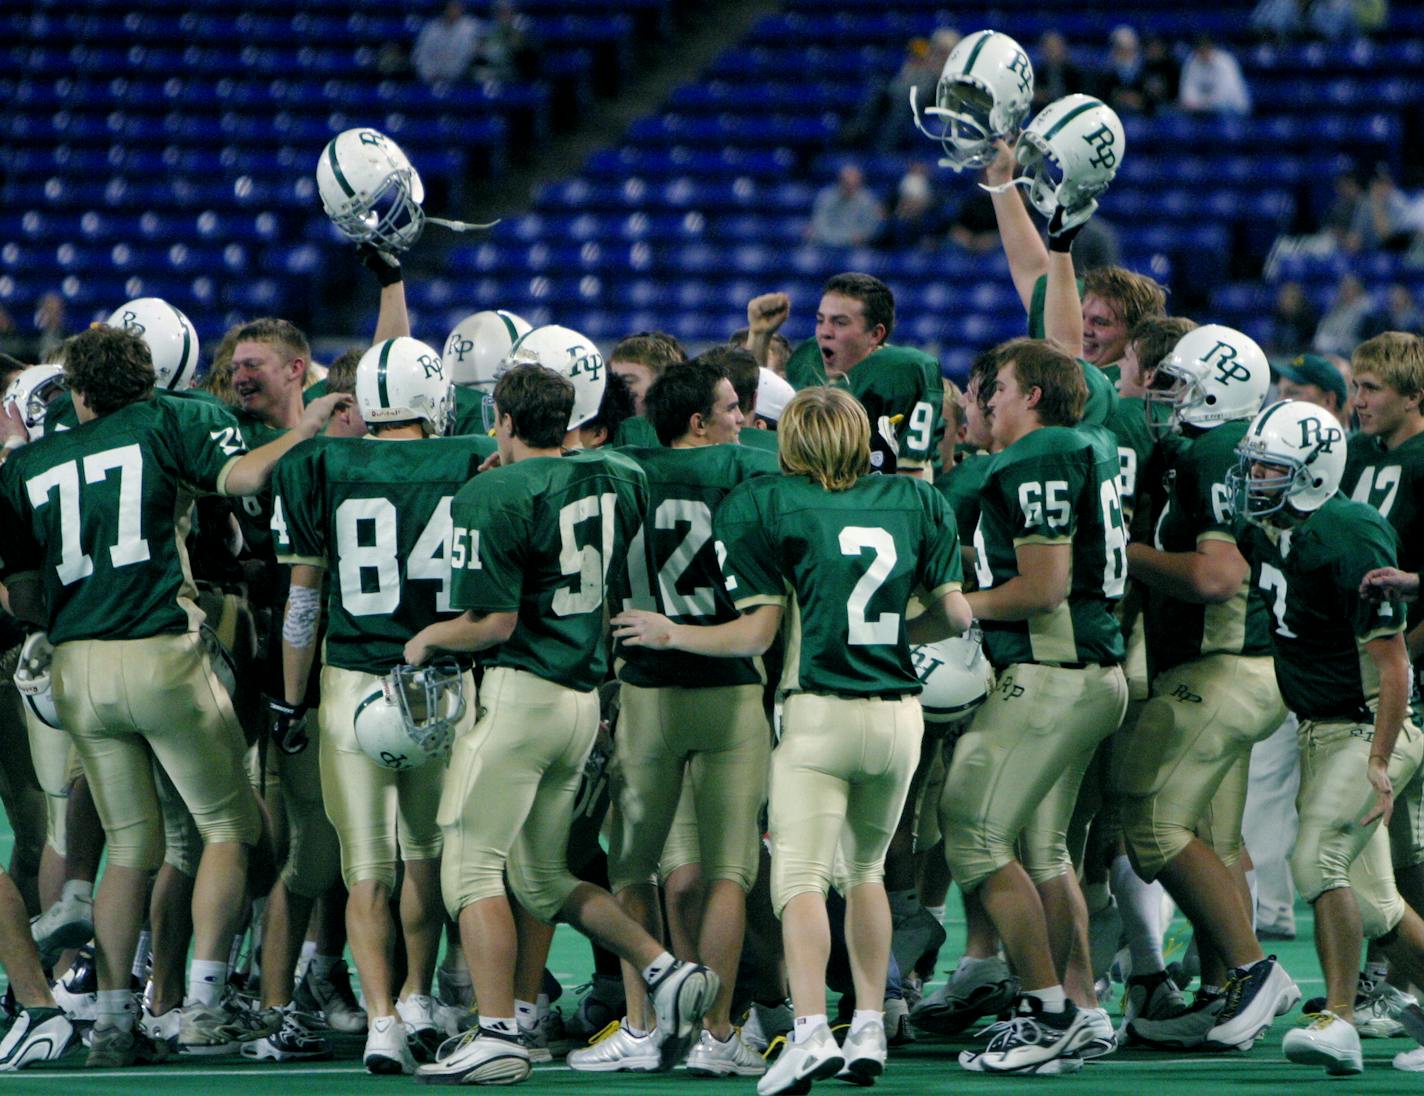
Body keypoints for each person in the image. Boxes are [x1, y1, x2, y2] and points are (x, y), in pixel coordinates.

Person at [0, 324, 349, 1067]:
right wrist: (308, 426)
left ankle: (117, 1017)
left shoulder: (28, 462)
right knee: (230, 826)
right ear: (146, 380)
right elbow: (244, 479)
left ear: (79, 393)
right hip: (160, 648)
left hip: (75, 667)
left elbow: (24, 587)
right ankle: (205, 1003)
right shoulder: (170, 418)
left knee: (128, 845)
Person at [614, 386, 971, 1095]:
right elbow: (955, 615)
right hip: (899, 714)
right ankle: (867, 1021)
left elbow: (758, 633)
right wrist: (897, 635)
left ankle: (810, 1031)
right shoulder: (918, 500)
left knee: (801, 879)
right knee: (865, 871)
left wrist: (670, 630)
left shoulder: (767, 502)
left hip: (819, 712)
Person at [403, 364, 718, 1085]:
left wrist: (427, 640)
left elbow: (492, 623)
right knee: (544, 876)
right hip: (582, 700)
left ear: (504, 421)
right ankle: (663, 969)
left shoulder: (495, 489)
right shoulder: (616, 473)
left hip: (522, 696)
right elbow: (583, 476)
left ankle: (496, 1033)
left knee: (470, 866)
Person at [269, 336, 496, 1074]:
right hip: (440, 682)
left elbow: (303, 604)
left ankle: (379, 1021)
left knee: (365, 866)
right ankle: (419, 993)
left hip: (350, 684)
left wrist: (290, 698)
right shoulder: (471, 457)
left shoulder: (319, 463)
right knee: (425, 857)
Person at [572, 356, 778, 1075]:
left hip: (645, 694)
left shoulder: (615, 470)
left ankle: (642, 1023)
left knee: (631, 869)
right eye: (730, 408)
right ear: (699, 421)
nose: (742, 420)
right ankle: (718, 1035)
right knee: (729, 874)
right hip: (730, 690)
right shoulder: (751, 472)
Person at [938, 338, 1128, 1075]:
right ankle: (1078, 1007)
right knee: (1045, 851)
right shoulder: (1084, 446)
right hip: (1084, 673)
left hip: (1052, 674)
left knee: (974, 835)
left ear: (1035, 396)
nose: (988, 401)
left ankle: (1044, 1008)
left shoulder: (1040, 453)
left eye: (1002, 387)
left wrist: (949, 611)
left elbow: (1043, 587)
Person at [1118, 326, 1299, 1051]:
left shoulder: (1217, 451)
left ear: (1217, 389)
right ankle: (1229, 989)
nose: (1163, 397)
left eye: (1177, 384)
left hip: (1224, 662)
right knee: (1215, 840)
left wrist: (1123, 553)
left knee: (1152, 823)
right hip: (1243, 665)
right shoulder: (1214, 449)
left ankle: (1255, 972)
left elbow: (1218, 576)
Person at [1231, 398, 1424, 1075]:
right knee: (1375, 909)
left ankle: (1337, 1018)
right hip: (1322, 729)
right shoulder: (1273, 529)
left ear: (1311, 472)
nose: (1254, 478)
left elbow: (1395, 666)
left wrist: (1378, 759)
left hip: (1368, 726)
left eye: (1269, 467)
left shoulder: (1348, 532)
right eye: (1253, 465)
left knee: (1316, 863)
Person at [746, 275, 944, 479]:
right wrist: (760, 336)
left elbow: (910, 482)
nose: (825, 332)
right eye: (820, 320)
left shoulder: (902, 374)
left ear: (875, 334)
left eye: (839, 323)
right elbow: (759, 406)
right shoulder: (808, 358)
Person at [806, 166, 884, 249]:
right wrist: (837, 239)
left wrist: (861, 237)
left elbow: (870, 227)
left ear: (860, 183)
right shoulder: (826, 197)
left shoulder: (869, 200)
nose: (850, 187)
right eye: (846, 183)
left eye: (854, 184)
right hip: (827, 242)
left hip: (856, 245)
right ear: (839, 182)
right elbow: (820, 223)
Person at [412, 1, 483, 85]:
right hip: (430, 78)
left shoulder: (471, 27)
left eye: (457, 7)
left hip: (461, 79)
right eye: (451, 7)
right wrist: (429, 74)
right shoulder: (431, 28)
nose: (454, 10)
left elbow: (467, 56)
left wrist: (450, 75)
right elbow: (420, 55)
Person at [1178, 35, 1251, 115]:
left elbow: (1226, 95)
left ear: (1211, 49)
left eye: (1205, 49)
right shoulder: (1192, 62)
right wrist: (1196, 104)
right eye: (1199, 50)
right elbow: (1187, 92)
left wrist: (1200, 103)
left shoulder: (1225, 62)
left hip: (1233, 109)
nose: (1202, 52)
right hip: (1202, 109)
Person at [1274, 352, 1350, 425]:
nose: (1279, 402)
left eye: (1292, 393)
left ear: (1328, 400)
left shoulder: (1358, 438)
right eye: (1279, 393)